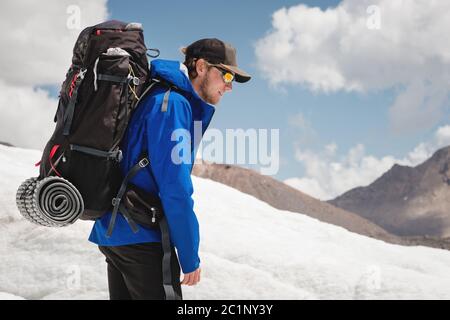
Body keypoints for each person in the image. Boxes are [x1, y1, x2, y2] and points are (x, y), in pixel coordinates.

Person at [88, 38, 251, 300]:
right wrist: (189, 255)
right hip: (141, 238)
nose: (229, 86)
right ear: (200, 67)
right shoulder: (173, 105)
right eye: (227, 74)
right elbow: (175, 187)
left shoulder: (159, 95)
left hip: (118, 233)